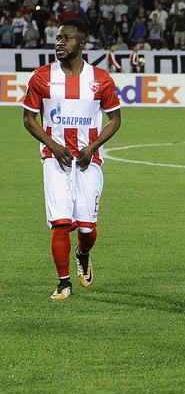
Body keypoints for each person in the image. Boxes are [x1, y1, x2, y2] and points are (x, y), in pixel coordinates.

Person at [22, 19, 122, 300]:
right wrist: (53, 145)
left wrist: (93, 146)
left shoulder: (101, 79)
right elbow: (28, 118)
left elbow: (115, 119)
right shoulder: (42, 76)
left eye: (66, 38)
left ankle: (83, 254)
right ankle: (63, 282)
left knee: (87, 228)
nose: (60, 42)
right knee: (61, 222)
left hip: (89, 160)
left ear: (82, 43)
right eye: (58, 38)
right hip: (55, 159)